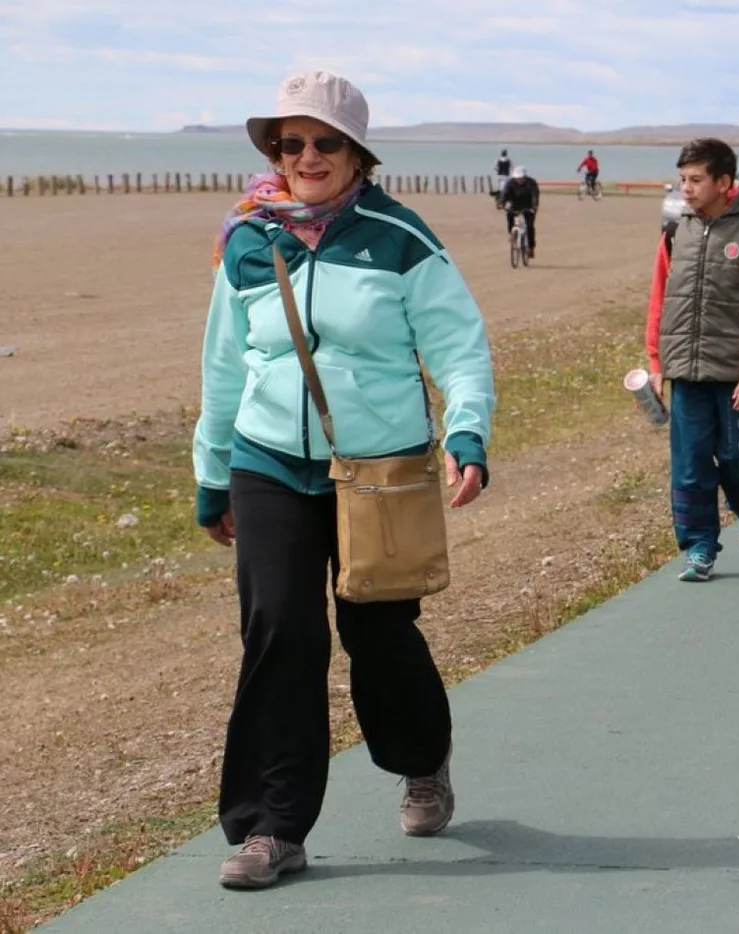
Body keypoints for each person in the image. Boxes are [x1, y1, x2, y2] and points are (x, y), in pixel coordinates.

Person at [194, 71, 496, 889]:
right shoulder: (251, 240)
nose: (307, 156)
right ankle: (271, 828)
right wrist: (211, 470)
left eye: (325, 141)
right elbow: (225, 365)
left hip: (378, 471)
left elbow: (460, 348)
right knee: (279, 633)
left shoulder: (400, 238)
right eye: (290, 143)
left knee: (379, 636)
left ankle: (420, 759)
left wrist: (467, 431)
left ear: (356, 151)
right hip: (268, 463)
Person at [645, 138, 739, 583]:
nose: (686, 188)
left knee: (737, 459)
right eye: (682, 179)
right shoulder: (674, 232)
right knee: (690, 464)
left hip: (738, 374)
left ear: (725, 183)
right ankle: (699, 547)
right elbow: (660, 299)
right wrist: (656, 362)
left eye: (696, 179)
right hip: (686, 371)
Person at [500, 165, 540, 258]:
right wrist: (501, 202)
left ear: (525, 177)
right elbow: (505, 193)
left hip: (528, 206)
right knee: (509, 215)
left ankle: (531, 247)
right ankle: (512, 233)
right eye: (517, 178)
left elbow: (535, 195)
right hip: (515, 205)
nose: (519, 180)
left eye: (521, 178)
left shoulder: (531, 183)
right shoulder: (511, 183)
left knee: (530, 226)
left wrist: (535, 205)